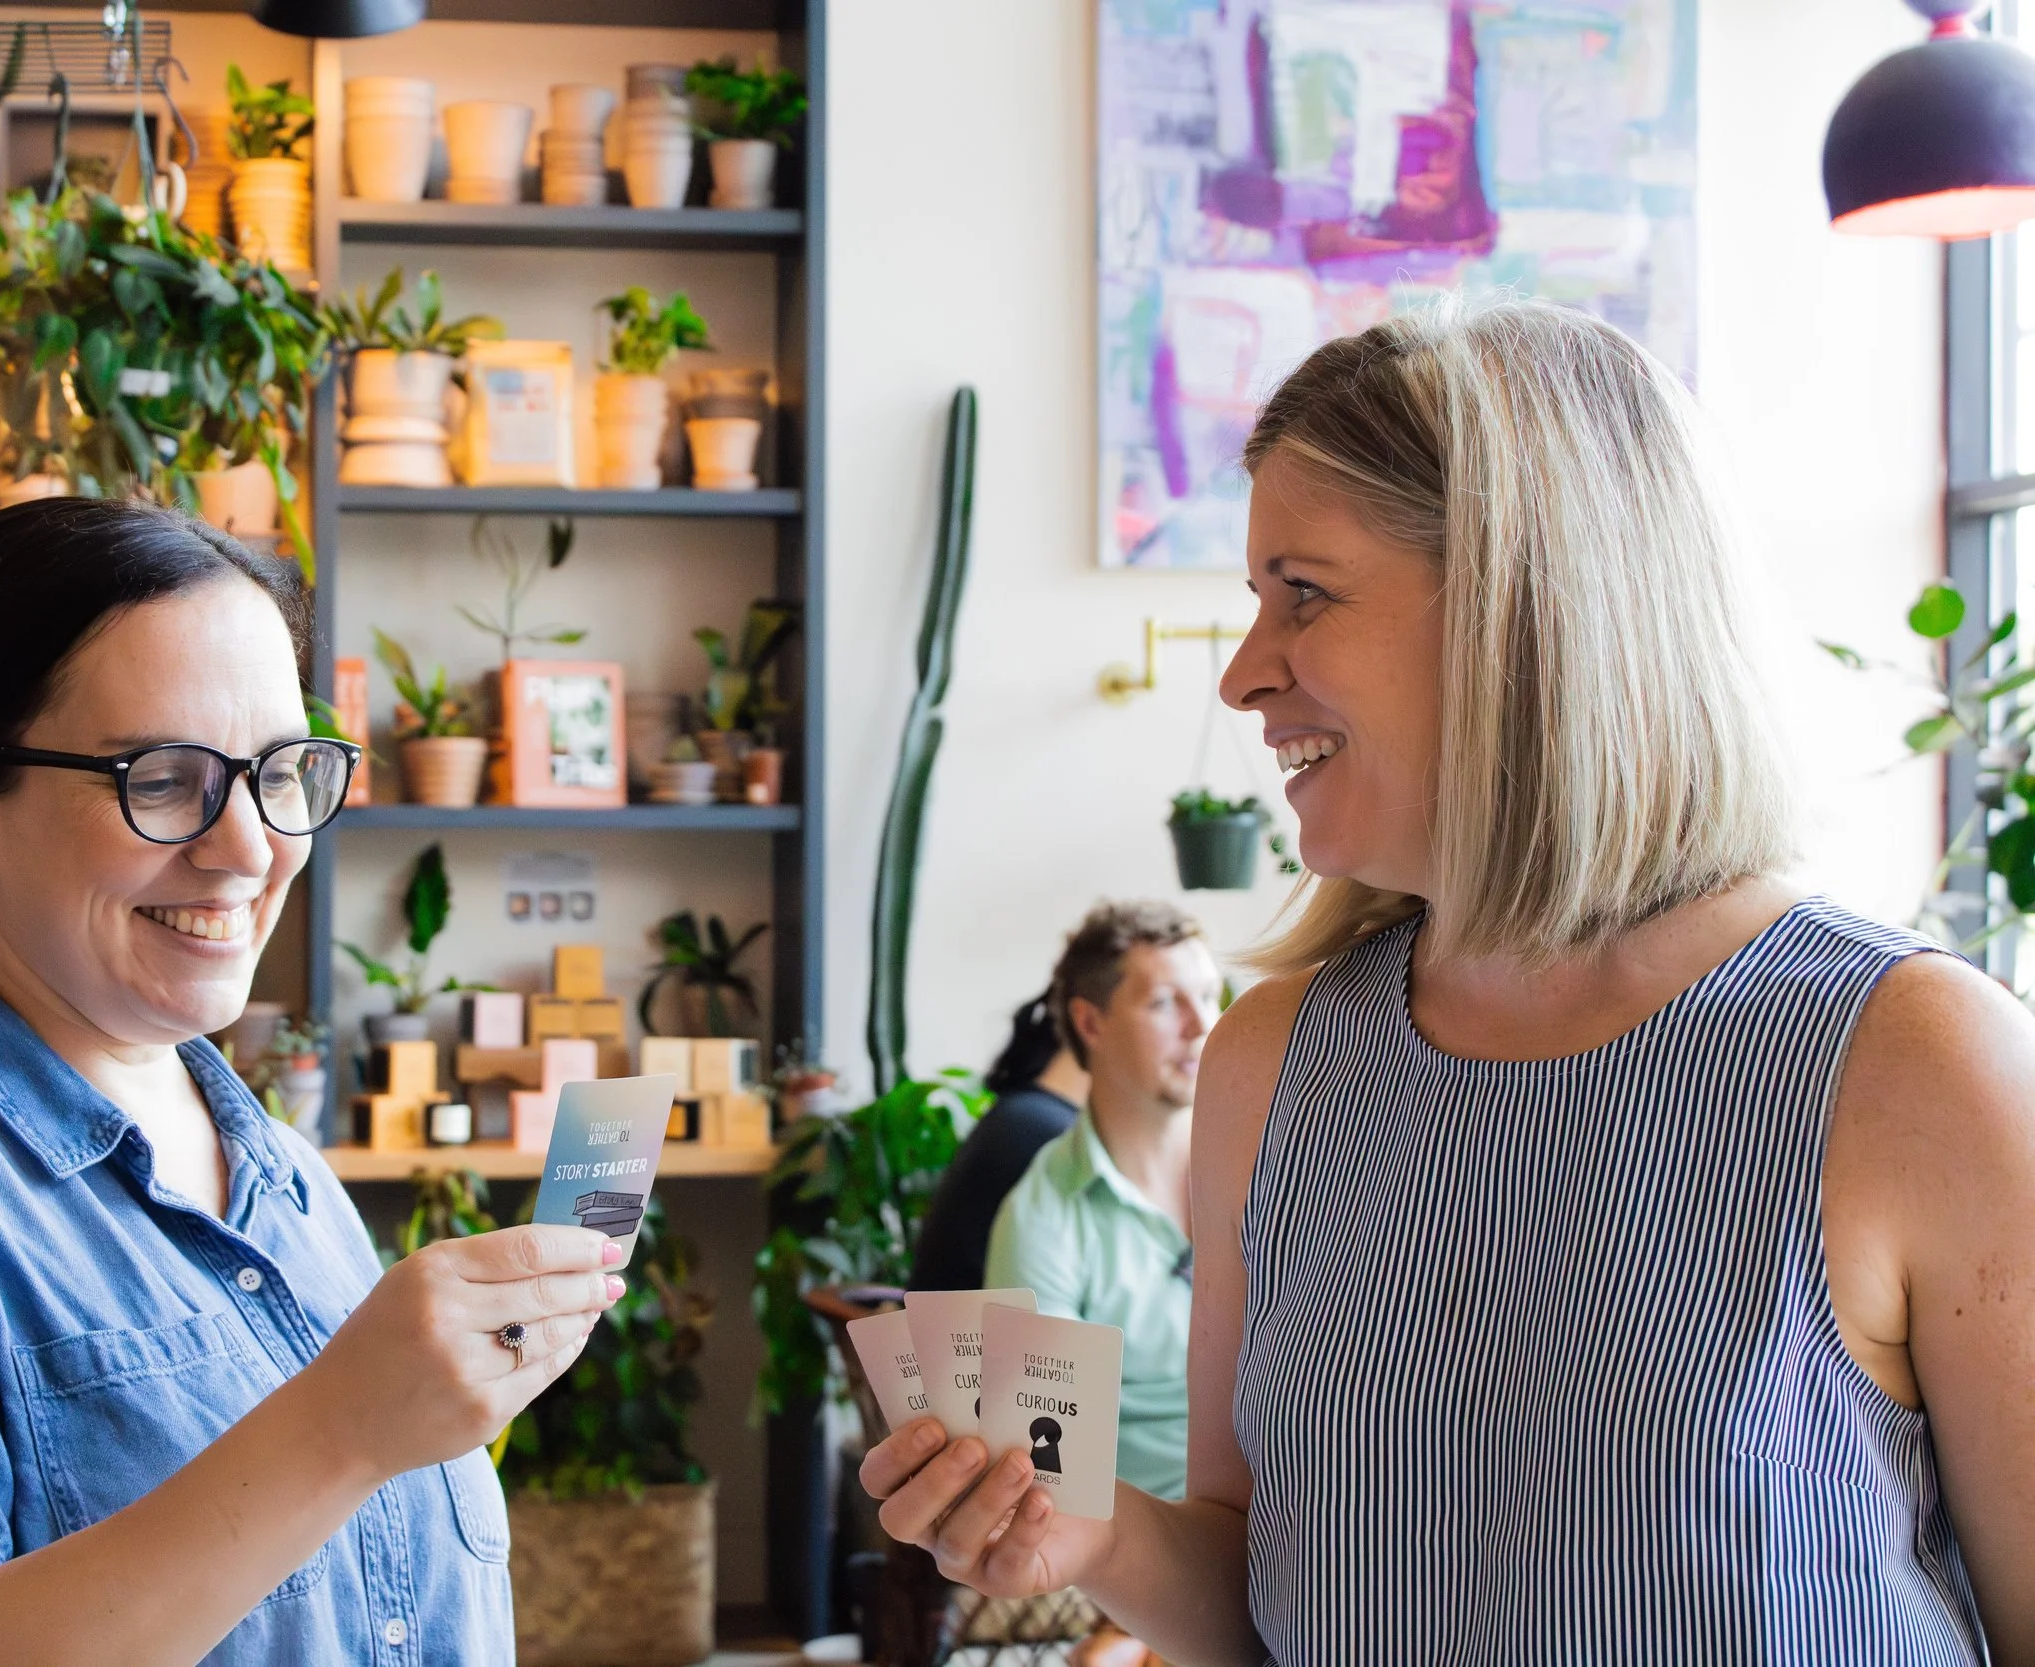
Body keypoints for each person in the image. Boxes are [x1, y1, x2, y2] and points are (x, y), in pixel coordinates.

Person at [859, 298, 2035, 1662]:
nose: (1244, 673)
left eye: (1304, 591)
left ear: (1524, 604)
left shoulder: (1916, 1057)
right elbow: (1266, 1587)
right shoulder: (1270, 1060)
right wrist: (1100, 1536)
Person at [0, 499, 623, 1667]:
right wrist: (341, 1429)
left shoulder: (279, 1169)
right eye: (162, 778)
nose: (250, 847)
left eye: (277, 770)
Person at [983, 902, 1214, 1502]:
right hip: (1141, 1548)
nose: (1202, 1024)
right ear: (1091, 1024)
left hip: (1309, 1513)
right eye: (1165, 1003)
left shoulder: (1279, 1167)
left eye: (1211, 996)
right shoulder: (1042, 1216)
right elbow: (1048, 1462)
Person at [907, 989, 1088, 1293]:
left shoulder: (1026, 1114)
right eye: (1160, 1003)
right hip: (975, 1339)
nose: (1195, 1027)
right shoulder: (1046, 1134)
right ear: (1090, 1024)